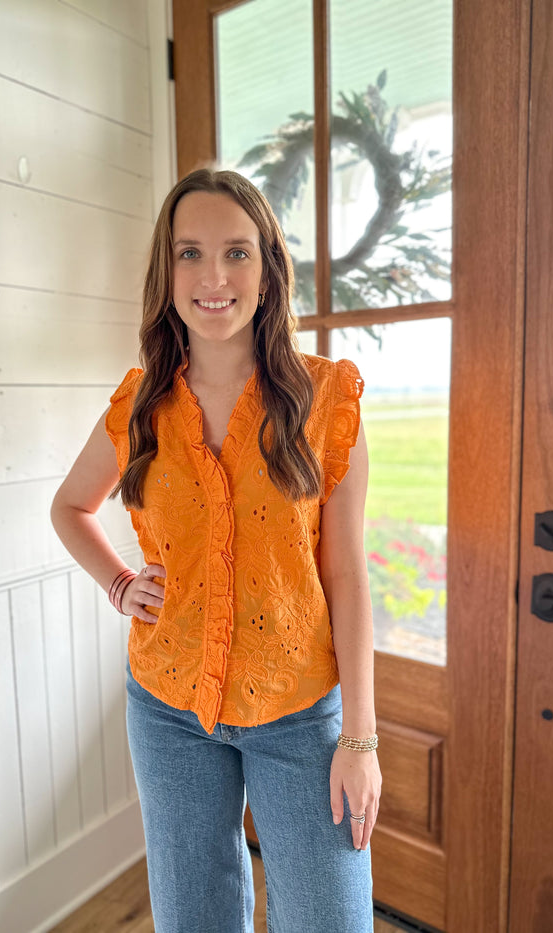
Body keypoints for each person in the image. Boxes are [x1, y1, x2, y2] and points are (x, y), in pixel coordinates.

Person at [51, 168, 381, 933]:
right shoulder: (139, 405)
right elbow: (70, 508)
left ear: (268, 268)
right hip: (167, 708)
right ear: (166, 273)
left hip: (301, 714)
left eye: (236, 252)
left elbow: (348, 578)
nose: (213, 276)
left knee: (330, 920)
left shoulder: (328, 399)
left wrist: (360, 740)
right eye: (189, 253)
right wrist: (118, 582)